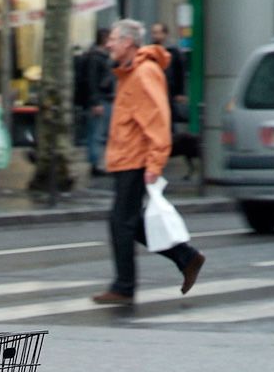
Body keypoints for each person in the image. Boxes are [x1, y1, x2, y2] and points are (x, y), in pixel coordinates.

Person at [92, 18, 205, 304]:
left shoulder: (144, 73)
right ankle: (186, 257)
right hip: (126, 158)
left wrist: (155, 164)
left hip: (136, 160)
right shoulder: (131, 72)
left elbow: (157, 121)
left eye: (114, 39)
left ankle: (124, 287)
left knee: (121, 222)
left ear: (128, 43)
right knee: (131, 222)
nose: (108, 44)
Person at [73, 27, 115, 178]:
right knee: (97, 132)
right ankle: (96, 163)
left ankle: (99, 162)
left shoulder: (102, 57)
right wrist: (95, 101)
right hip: (101, 100)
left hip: (104, 99)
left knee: (100, 132)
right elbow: (92, 81)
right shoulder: (97, 58)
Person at [150, 22, 188, 129]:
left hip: (169, 91)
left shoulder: (173, 51)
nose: (156, 36)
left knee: (169, 120)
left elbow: (180, 71)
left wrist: (180, 92)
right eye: (154, 33)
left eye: (158, 32)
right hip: (154, 89)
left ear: (165, 34)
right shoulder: (149, 51)